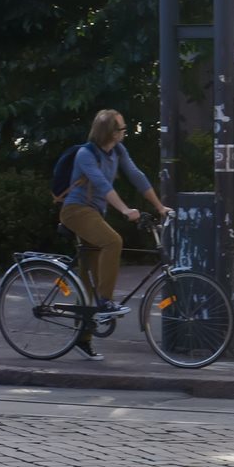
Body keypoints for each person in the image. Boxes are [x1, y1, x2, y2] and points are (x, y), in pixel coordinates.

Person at [59, 109, 172, 360]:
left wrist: (159, 206)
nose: (125, 132)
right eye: (121, 128)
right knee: (113, 241)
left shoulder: (118, 151)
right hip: (76, 211)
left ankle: (83, 338)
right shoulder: (86, 154)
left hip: (94, 213)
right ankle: (106, 301)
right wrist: (124, 210)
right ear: (109, 132)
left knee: (89, 281)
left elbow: (137, 176)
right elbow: (102, 185)